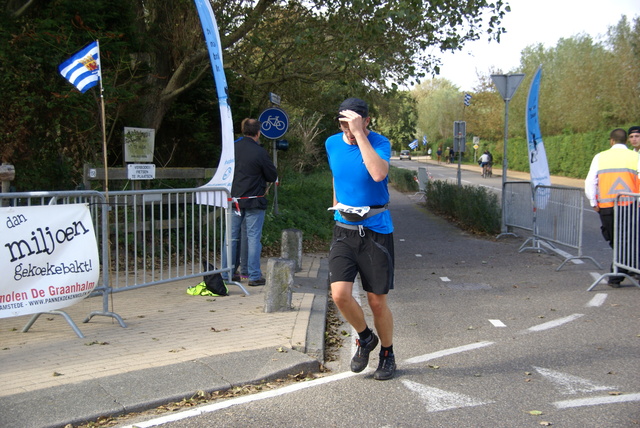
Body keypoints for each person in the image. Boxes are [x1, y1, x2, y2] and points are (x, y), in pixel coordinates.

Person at [325, 97, 396, 380]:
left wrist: (359, 135)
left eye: (352, 121)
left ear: (366, 120)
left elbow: (378, 173)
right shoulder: (332, 143)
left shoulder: (380, 143)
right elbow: (336, 177)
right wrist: (337, 208)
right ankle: (366, 338)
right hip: (344, 229)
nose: (345, 128)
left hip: (376, 231)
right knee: (339, 294)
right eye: (342, 122)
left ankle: (388, 354)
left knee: (377, 302)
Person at [223, 118, 278, 286]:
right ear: (258, 133)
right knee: (253, 237)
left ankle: (227, 273)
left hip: (233, 200)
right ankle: (254, 275)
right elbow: (271, 175)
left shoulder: (231, 149)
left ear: (242, 130)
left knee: (231, 238)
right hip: (254, 201)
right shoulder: (259, 152)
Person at [585, 128, 640, 287]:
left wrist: (593, 202)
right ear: (626, 140)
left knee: (614, 238)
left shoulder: (600, 157)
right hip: (628, 204)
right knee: (625, 240)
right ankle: (624, 270)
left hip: (606, 206)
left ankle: (616, 276)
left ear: (611, 141)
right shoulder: (635, 156)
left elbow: (590, 181)